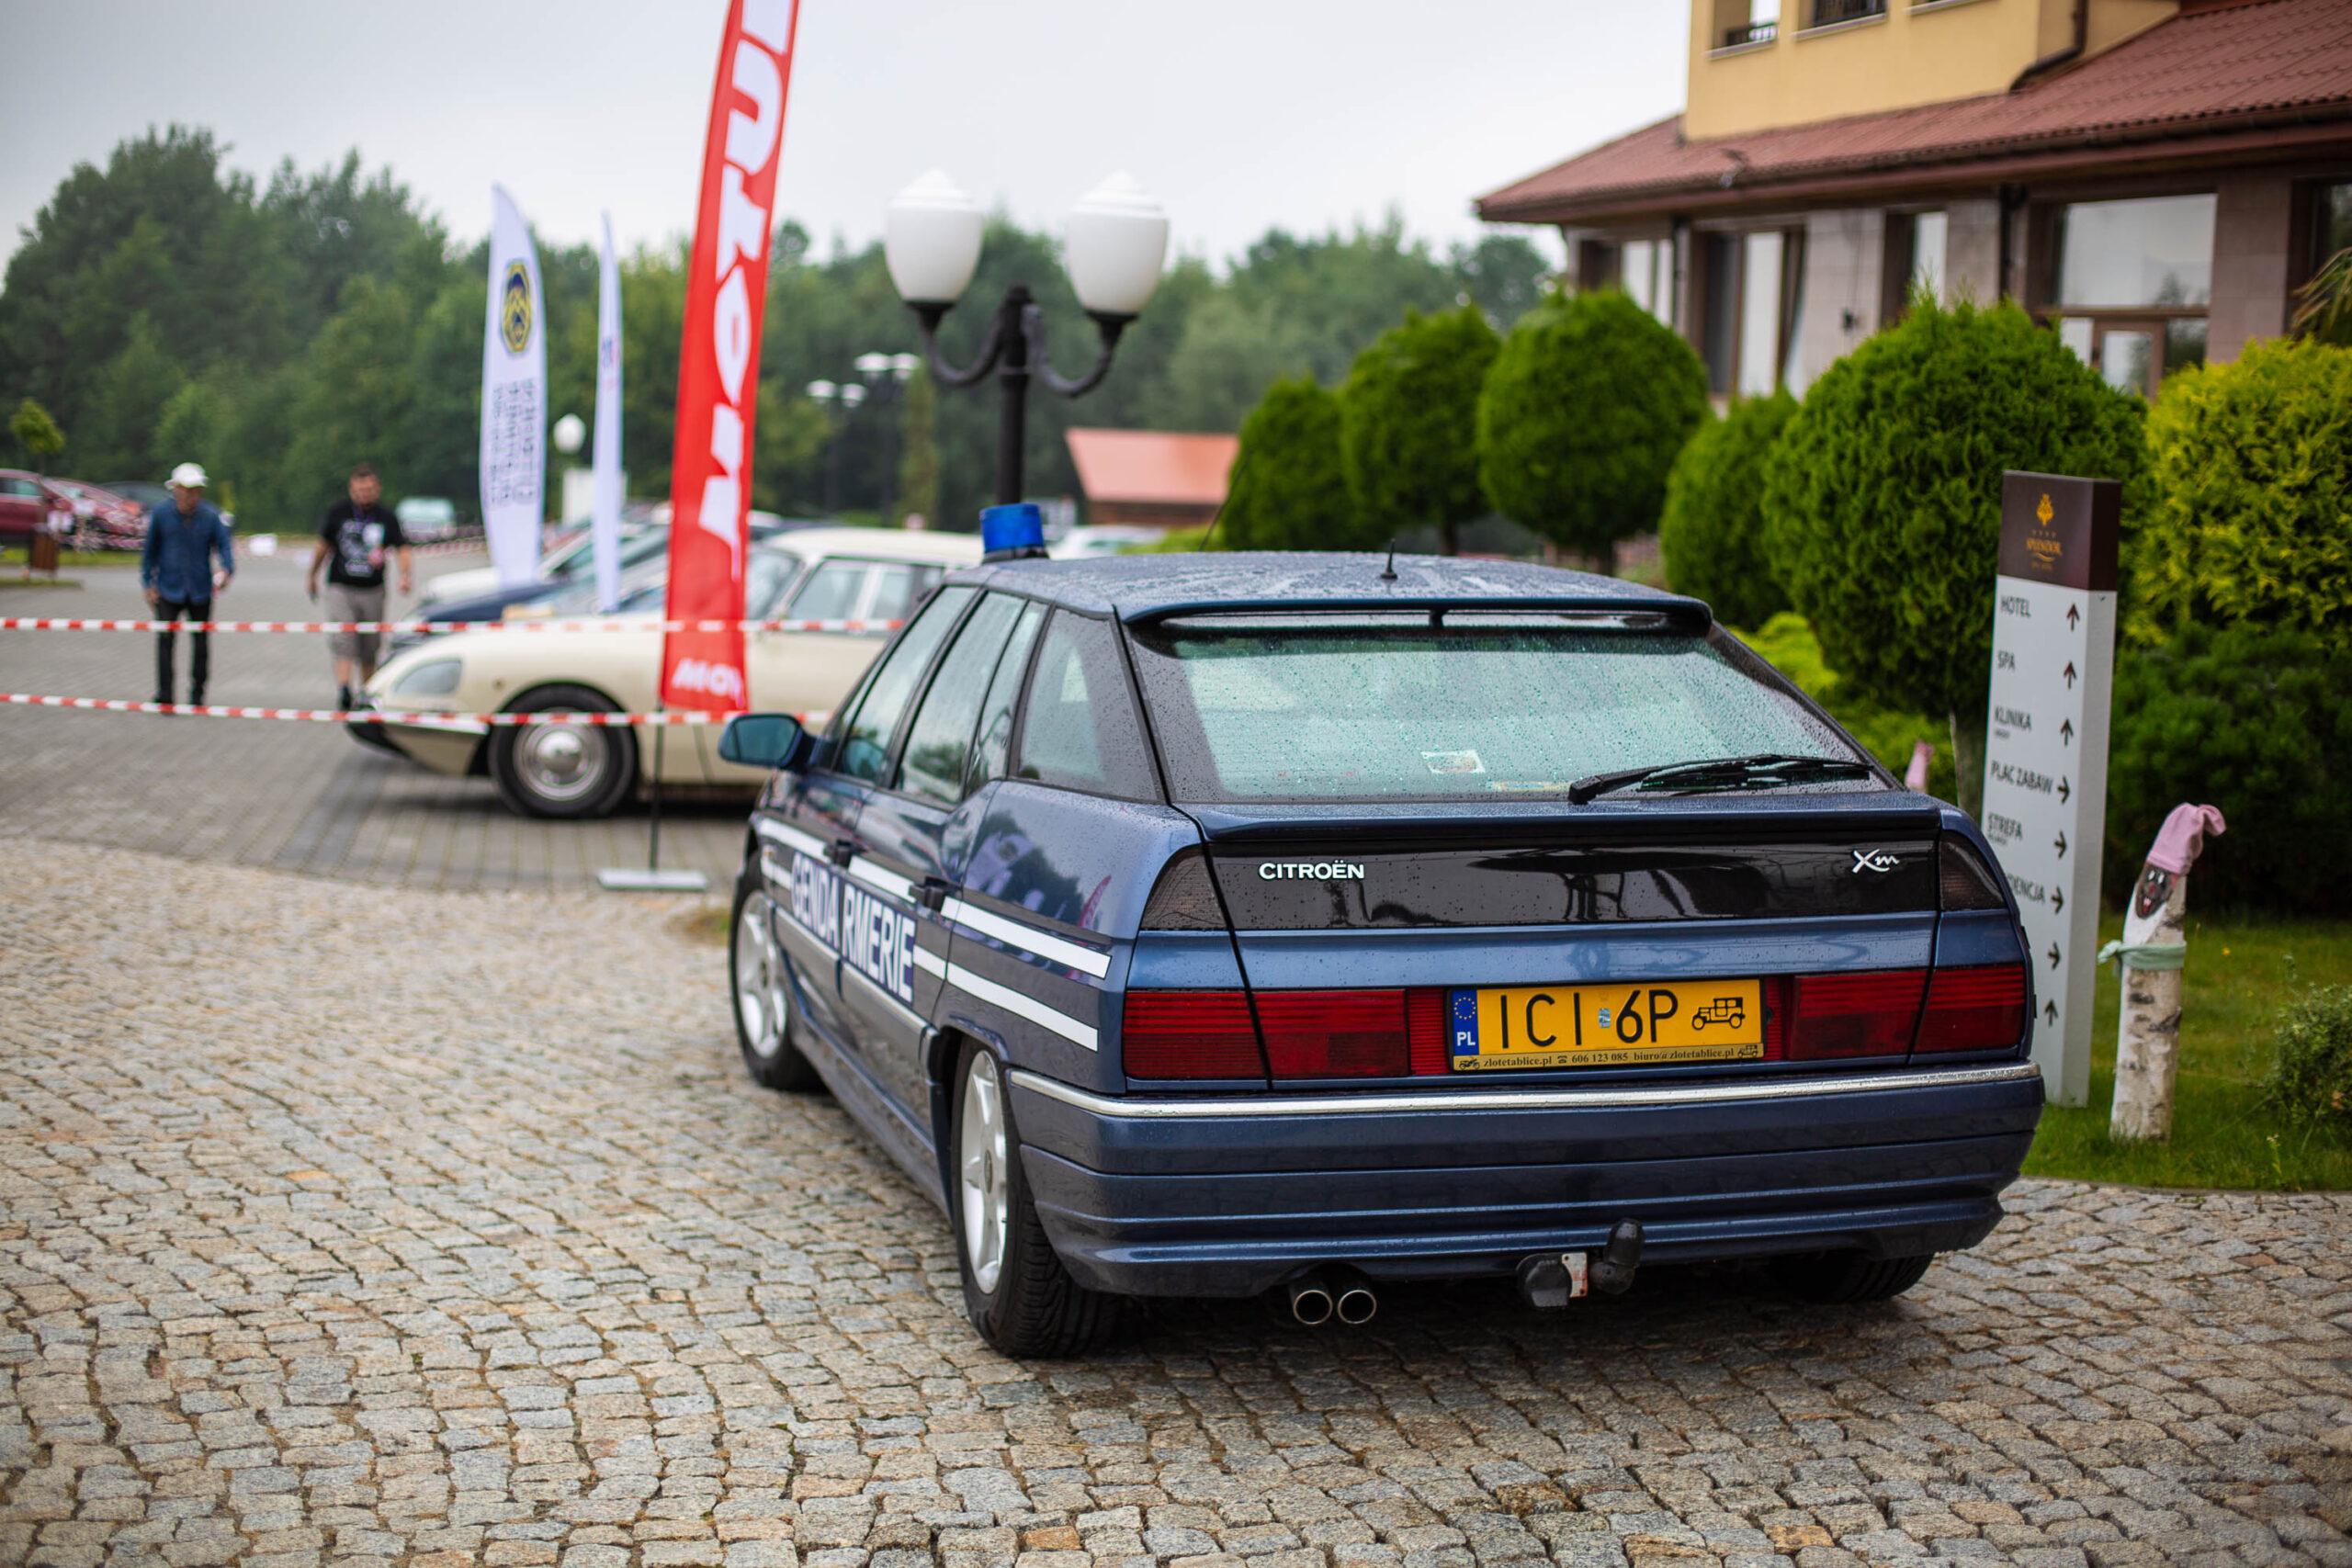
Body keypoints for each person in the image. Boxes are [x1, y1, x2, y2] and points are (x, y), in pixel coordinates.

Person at [307, 462, 413, 707]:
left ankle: (367, 693)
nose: (364, 495)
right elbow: (322, 546)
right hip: (341, 587)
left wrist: (405, 575)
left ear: (377, 489)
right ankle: (344, 689)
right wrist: (312, 575)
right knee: (344, 638)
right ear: (352, 489)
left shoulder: (386, 517)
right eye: (359, 490)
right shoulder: (338, 512)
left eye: (369, 490)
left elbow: (402, 548)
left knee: (369, 645)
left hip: (372, 589)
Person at [140, 462, 234, 706]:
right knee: (165, 642)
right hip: (168, 588)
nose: (194, 495)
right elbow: (149, 552)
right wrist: (147, 584)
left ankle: (198, 694)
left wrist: (226, 569)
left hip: (200, 589)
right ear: (177, 489)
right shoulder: (161, 514)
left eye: (197, 490)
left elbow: (224, 546)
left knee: (201, 643)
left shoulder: (211, 515)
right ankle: (165, 694)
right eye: (189, 490)